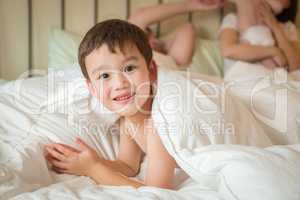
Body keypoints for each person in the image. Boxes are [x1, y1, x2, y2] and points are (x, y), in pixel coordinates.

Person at [44, 19, 180, 189]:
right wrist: (93, 162)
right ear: (92, 88)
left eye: (129, 68)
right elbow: (128, 166)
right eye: (105, 76)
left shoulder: (159, 121)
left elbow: (158, 191)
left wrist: (93, 170)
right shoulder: (128, 120)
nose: (120, 84)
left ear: (151, 70)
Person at [128, 0, 226, 68]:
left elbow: (187, 29)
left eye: (148, 36)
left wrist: (163, 45)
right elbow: (138, 18)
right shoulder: (133, 57)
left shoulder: (172, 60)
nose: (148, 42)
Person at [219, 0, 300, 74]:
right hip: (244, 76)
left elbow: (295, 68)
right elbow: (228, 50)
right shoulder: (233, 19)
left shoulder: (288, 27)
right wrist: (273, 52)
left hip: (278, 80)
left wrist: (274, 26)